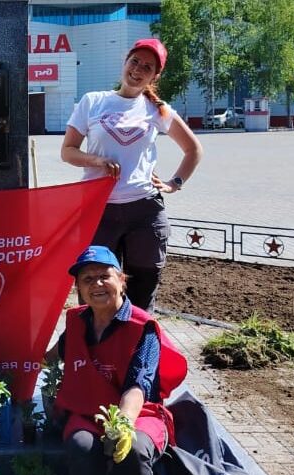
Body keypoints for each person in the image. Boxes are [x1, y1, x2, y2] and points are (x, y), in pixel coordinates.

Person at [52, 245, 187, 475]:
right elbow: (54, 355)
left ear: (122, 280)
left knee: (134, 450)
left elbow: (140, 383)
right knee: (80, 446)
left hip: (138, 413)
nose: (96, 284)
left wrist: (122, 424)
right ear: (78, 288)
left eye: (104, 276)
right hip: (87, 411)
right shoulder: (76, 321)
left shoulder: (143, 327)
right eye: (87, 279)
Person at [61, 38, 202, 312]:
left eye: (147, 67)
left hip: (144, 214)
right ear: (125, 62)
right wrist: (97, 160)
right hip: (97, 211)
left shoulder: (158, 110)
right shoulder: (93, 102)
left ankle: (136, 352)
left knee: (141, 296)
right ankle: (92, 352)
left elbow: (193, 150)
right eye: (135, 61)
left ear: (155, 75)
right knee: (94, 292)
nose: (138, 69)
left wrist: (174, 184)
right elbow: (68, 151)